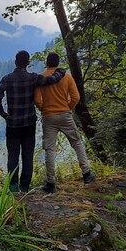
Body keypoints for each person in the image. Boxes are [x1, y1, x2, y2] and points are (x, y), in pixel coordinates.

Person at [0, 50, 66, 192]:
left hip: (13, 124)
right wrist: (61, 71)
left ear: (15, 62)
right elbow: (51, 79)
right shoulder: (33, 78)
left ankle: (13, 188)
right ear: (28, 63)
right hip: (29, 124)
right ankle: (24, 188)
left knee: (13, 155)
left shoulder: (7, 79)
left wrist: (3, 114)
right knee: (28, 155)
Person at [34, 52, 95, 194]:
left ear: (47, 63)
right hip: (65, 115)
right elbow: (76, 97)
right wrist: (68, 107)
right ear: (58, 63)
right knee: (77, 143)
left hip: (48, 117)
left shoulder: (40, 78)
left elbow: (37, 100)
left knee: (50, 149)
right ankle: (86, 174)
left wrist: (43, 108)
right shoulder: (67, 77)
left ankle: (50, 183)